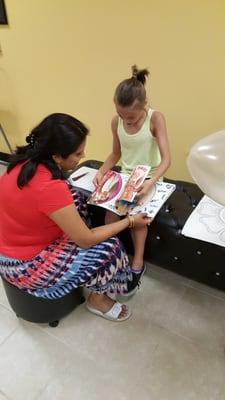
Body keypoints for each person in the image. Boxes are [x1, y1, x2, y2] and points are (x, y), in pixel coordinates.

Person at [0, 113, 151, 322]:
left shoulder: (22, 163)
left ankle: (90, 268)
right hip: (23, 266)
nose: (83, 156)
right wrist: (130, 221)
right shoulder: (50, 188)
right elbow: (86, 239)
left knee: (76, 197)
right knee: (110, 249)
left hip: (14, 245)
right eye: (78, 154)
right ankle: (97, 301)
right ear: (56, 156)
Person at [93, 65, 171, 294]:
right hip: (126, 175)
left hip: (149, 175)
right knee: (109, 214)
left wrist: (151, 182)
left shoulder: (156, 118)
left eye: (131, 117)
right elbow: (115, 153)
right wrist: (101, 171)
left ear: (144, 107)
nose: (126, 121)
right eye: (121, 115)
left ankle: (138, 262)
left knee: (137, 216)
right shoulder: (116, 122)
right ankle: (112, 256)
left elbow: (167, 159)